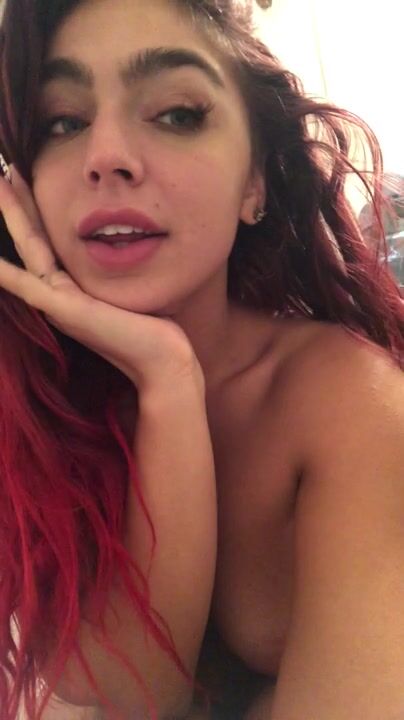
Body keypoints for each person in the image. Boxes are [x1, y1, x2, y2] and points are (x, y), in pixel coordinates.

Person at [0, 1, 403, 719]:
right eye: (61, 122)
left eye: (178, 114)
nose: (105, 155)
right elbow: (136, 692)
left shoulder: (349, 400)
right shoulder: (32, 402)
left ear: (254, 185)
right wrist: (168, 382)